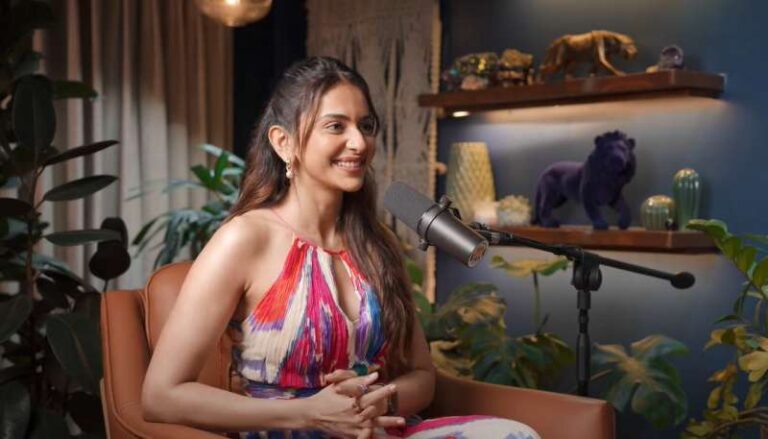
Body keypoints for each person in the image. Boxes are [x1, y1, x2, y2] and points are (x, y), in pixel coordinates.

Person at [142, 56, 540, 439]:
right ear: (283, 142)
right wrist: (307, 412)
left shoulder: (378, 244)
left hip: (378, 432)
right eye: (336, 126)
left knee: (516, 434)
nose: (359, 142)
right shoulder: (244, 238)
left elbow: (421, 376)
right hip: (289, 433)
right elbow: (161, 395)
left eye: (366, 126)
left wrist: (379, 400)